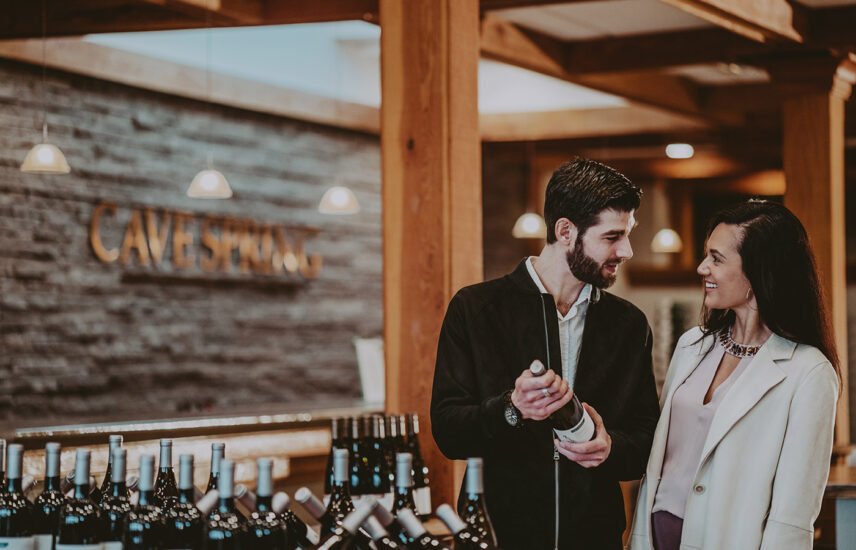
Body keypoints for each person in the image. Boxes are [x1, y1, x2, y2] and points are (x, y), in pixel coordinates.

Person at [431, 158, 660, 550]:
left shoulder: (629, 325)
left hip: (595, 540)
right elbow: (449, 432)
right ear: (566, 231)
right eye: (612, 236)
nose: (627, 250)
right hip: (499, 539)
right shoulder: (475, 309)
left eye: (628, 234)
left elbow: (647, 439)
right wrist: (512, 407)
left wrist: (610, 447)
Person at [629, 200, 840, 550]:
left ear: (759, 272)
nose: (702, 268)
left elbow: (792, 515)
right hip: (654, 539)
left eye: (717, 258)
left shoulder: (810, 372)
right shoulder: (691, 345)